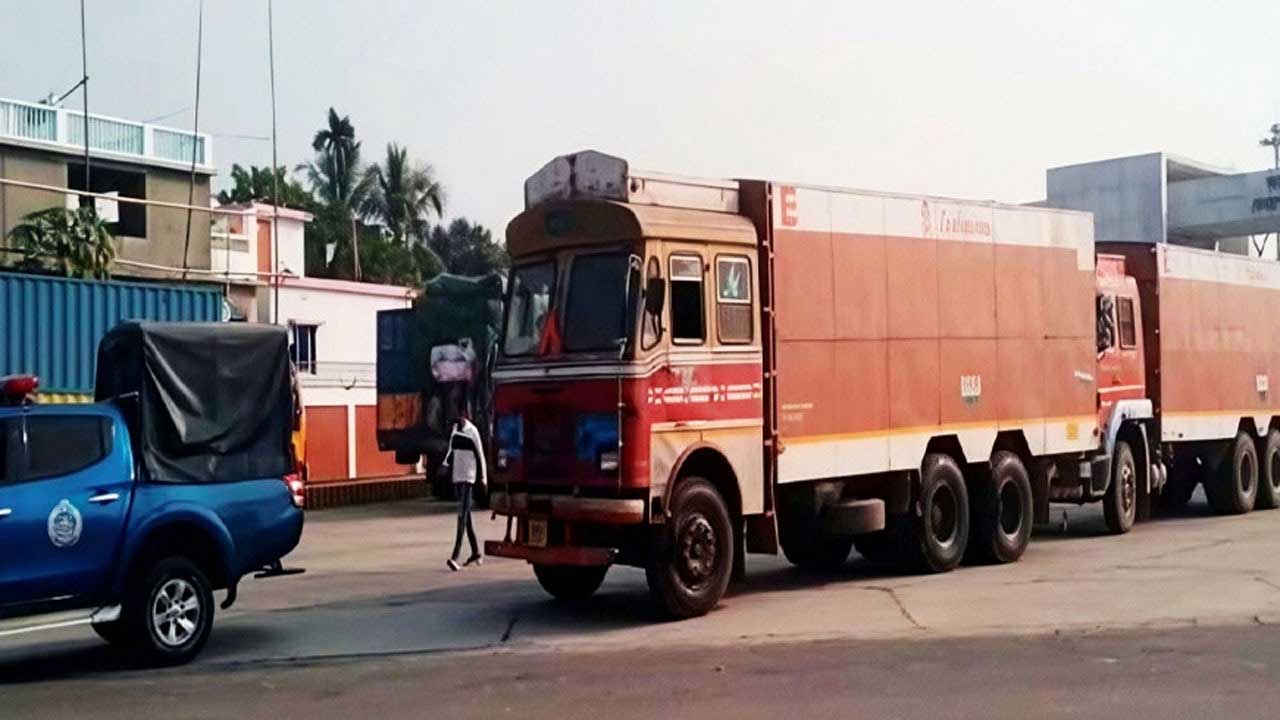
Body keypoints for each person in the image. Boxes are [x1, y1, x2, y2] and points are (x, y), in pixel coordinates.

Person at [443, 411, 486, 571]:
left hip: (469, 478)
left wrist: (483, 479)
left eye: (458, 421)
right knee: (466, 517)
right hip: (458, 477)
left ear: (464, 418)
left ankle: (455, 557)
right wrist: (445, 465)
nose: (456, 425)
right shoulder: (456, 429)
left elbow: (480, 456)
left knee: (461, 515)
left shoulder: (472, 431)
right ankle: (476, 553)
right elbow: (451, 450)